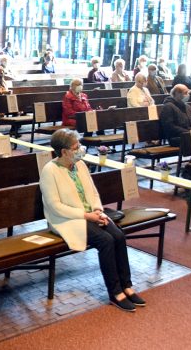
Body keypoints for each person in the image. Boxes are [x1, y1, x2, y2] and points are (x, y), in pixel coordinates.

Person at [39, 129, 146, 312]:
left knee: (118, 236)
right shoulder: (50, 171)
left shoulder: (79, 165)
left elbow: (93, 191)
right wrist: (87, 215)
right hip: (66, 220)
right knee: (106, 240)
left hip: (91, 215)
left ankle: (127, 286)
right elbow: (55, 206)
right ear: (64, 152)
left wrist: (98, 210)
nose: (80, 149)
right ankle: (115, 292)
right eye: (76, 147)